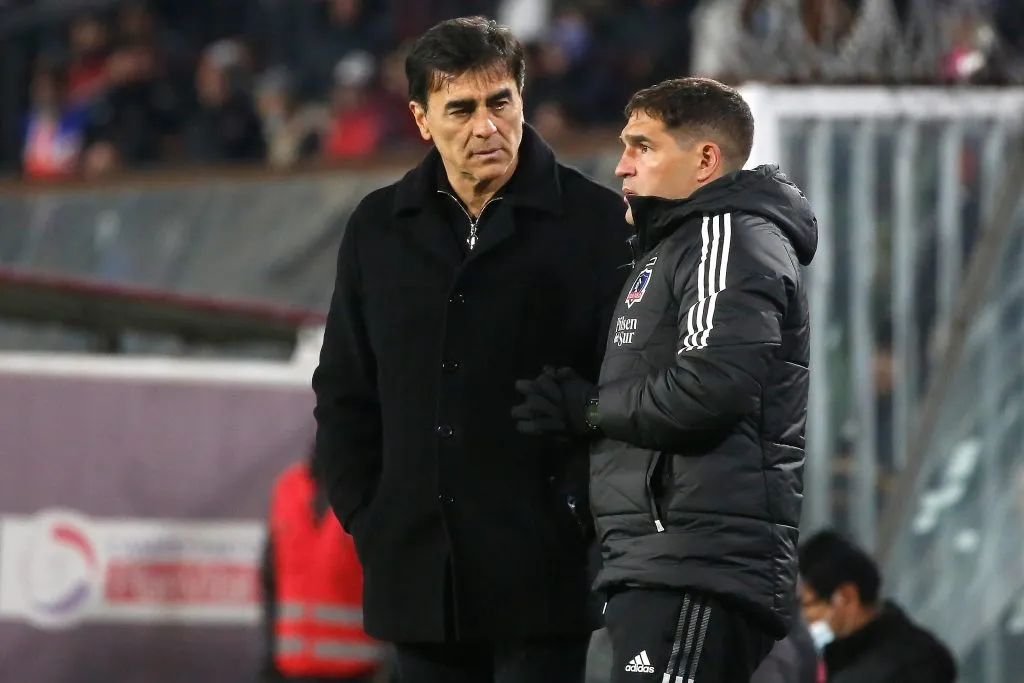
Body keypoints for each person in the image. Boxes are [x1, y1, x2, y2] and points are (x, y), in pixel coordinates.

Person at [311, 15, 633, 683]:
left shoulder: (598, 225)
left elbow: (629, 392)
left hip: (545, 581)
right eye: (461, 108)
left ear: (523, 100)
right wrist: (370, 514)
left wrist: (576, 514)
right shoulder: (377, 228)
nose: (486, 126)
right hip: (418, 580)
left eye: (500, 102)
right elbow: (344, 392)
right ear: (422, 120)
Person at [512, 77, 818, 683]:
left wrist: (590, 410)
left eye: (643, 147)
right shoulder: (672, 249)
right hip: (662, 562)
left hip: (697, 565)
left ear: (705, 160)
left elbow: (711, 387)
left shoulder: (726, 236)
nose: (622, 167)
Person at [261, 453, 385, 683]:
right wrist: (270, 658)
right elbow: (270, 580)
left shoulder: (372, 490)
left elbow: (394, 587)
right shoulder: (287, 487)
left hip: (360, 672)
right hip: (292, 671)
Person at [798, 530, 957, 683]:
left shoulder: (918, 664)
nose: (805, 616)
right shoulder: (831, 662)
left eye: (807, 604)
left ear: (846, 597)